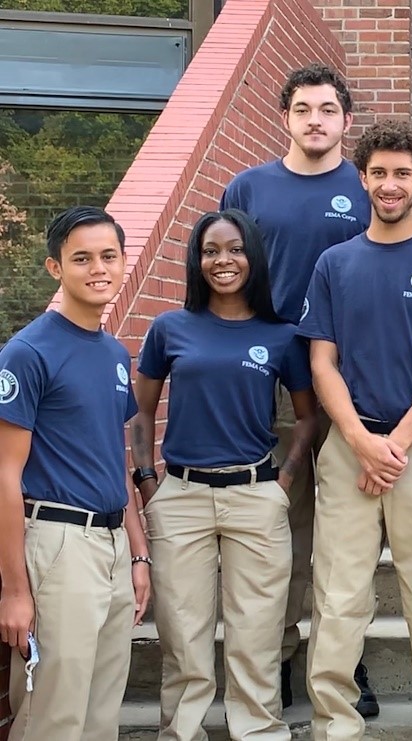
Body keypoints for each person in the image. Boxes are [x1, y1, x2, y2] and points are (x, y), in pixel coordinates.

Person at [300, 119, 412, 741]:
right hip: (348, 448)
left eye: (402, 173)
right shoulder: (334, 262)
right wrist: (359, 440)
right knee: (338, 600)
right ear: (362, 179)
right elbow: (320, 361)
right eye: (378, 172)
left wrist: (396, 443)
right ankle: (337, 727)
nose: (389, 184)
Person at [220, 63, 376, 713]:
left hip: (345, 370)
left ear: (346, 120)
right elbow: (224, 279)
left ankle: (347, 660)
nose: (316, 119)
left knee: (346, 528)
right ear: (284, 116)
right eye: (303, 108)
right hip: (265, 370)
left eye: (328, 109)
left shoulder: (367, 186)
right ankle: (278, 659)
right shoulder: (248, 187)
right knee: (275, 519)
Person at [131, 209, 317, 740]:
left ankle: (258, 730)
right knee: (182, 634)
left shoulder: (280, 336)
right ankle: (181, 732)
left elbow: (306, 417)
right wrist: (148, 480)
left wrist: (284, 483)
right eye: (210, 251)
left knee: (256, 633)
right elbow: (141, 410)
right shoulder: (170, 328)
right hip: (181, 495)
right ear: (197, 260)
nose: (222, 261)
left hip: (256, 496)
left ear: (252, 256)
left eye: (234, 249)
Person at [0, 206, 150, 740]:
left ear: (124, 262)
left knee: (100, 713)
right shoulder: (27, 352)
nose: (98, 268)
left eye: (108, 256)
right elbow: (4, 475)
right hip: (59, 545)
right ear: (54, 268)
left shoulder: (113, 352)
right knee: (53, 716)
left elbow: (115, 456)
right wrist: (15, 591)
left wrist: (137, 553)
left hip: (110, 544)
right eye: (81, 258)